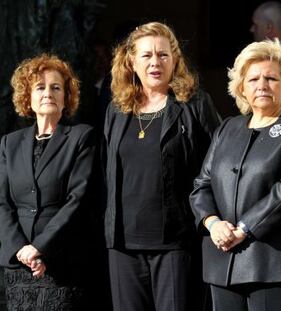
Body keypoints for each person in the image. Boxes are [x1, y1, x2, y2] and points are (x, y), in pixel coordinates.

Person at [102, 21, 221, 311]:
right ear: (131, 61)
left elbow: (218, 164)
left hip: (175, 242)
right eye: (146, 55)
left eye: (163, 54)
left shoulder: (194, 104)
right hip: (123, 243)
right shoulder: (117, 109)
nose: (155, 62)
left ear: (175, 60)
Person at [190, 39, 281, 311]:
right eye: (254, 79)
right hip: (222, 263)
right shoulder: (227, 128)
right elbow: (201, 185)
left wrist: (244, 229)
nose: (262, 85)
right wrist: (213, 224)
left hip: (272, 265)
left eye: (271, 78)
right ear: (241, 87)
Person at [0, 54, 95, 310]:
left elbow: (79, 200)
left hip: (62, 263)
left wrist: (40, 248)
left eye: (56, 87)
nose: (48, 93)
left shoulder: (81, 137)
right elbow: (2, 203)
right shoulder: (10, 143)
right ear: (27, 97)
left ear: (67, 97)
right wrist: (21, 249)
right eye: (40, 87)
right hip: (19, 265)